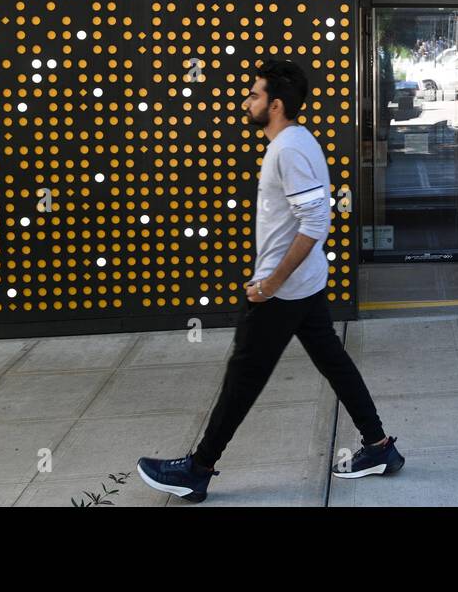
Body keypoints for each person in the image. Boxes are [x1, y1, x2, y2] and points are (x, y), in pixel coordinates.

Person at [137, 61, 404, 502]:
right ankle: (378, 448)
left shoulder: (289, 149)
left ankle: (198, 469)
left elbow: (316, 220)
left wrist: (271, 282)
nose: (247, 101)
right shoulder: (294, 141)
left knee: (243, 377)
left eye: (255, 95)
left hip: (284, 290)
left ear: (275, 105)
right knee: (333, 362)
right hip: (304, 284)